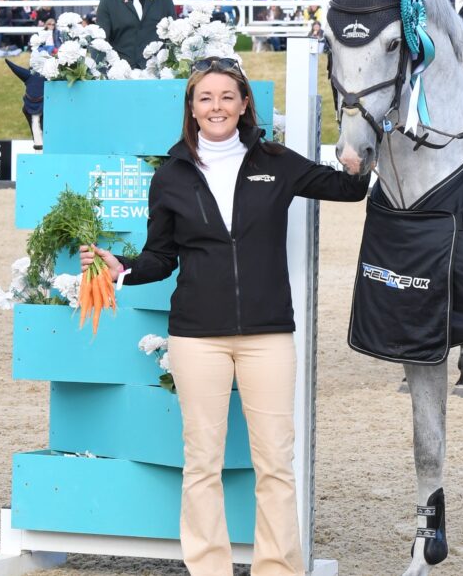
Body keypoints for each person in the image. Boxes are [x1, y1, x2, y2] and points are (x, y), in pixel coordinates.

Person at [79, 57, 370, 576]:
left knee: (275, 465)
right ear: (191, 108)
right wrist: (120, 267)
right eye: (205, 98)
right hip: (197, 338)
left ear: (243, 105)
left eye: (226, 97)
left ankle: (278, 568)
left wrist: (362, 156)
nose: (217, 106)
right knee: (202, 464)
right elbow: (160, 257)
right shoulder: (170, 175)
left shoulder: (277, 161)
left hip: (268, 336)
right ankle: (208, 568)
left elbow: (348, 189)